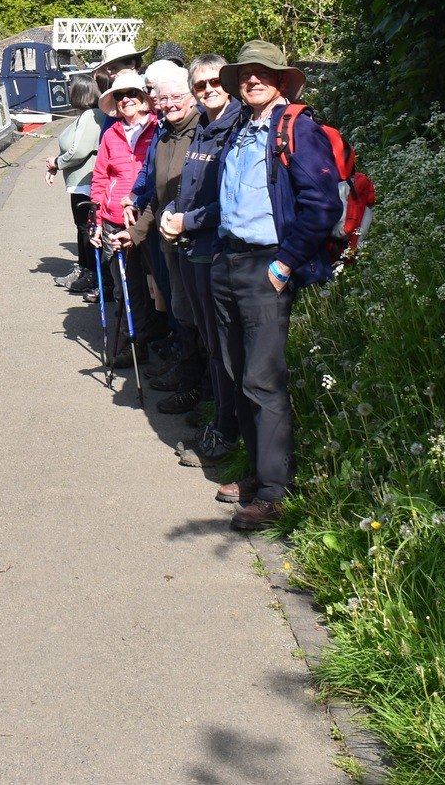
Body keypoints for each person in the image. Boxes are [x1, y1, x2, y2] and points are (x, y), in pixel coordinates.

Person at [206, 41, 343, 532]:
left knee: (263, 379)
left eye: (264, 73)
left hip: (267, 265)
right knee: (236, 369)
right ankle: (256, 471)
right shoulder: (242, 128)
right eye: (246, 74)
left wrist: (285, 263)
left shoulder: (297, 131)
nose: (253, 80)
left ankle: (274, 493)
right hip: (230, 260)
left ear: (281, 81)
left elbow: (323, 206)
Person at [159, 53, 239, 465]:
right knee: (210, 340)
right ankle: (217, 414)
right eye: (201, 86)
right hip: (192, 247)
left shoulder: (234, 129)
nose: (208, 90)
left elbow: (231, 202)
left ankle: (226, 431)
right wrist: (173, 216)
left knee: (224, 346)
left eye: (215, 83)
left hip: (215, 253)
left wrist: (185, 221)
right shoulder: (206, 128)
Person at [125, 59, 204, 409]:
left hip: (197, 242)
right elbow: (159, 195)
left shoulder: (202, 131)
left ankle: (200, 391)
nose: (169, 103)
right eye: (163, 98)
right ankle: (189, 383)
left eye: (176, 97)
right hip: (171, 241)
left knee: (196, 317)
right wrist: (135, 233)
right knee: (181, 312)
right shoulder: (168, 135)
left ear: (191, 97)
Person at [89, 69, 160, 366]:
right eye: (120, 95)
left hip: (151, 218)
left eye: (132, 93)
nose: (126, 99)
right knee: (126, 287)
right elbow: (100, 178)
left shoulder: (159, 129)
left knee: (158, 286)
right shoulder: (110, 134)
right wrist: (97, 219)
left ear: (144, 97)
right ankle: (134, 344)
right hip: (116, 220)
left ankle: (162, 344)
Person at [43, 75, 104, 294]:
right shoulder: (87, 115)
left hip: (86, 182)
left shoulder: (90, 115)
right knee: (82, 228)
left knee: (86, 228)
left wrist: (57, 162)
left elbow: (79, 150)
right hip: (80, 182)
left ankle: (92, 274)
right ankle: (85, 269)